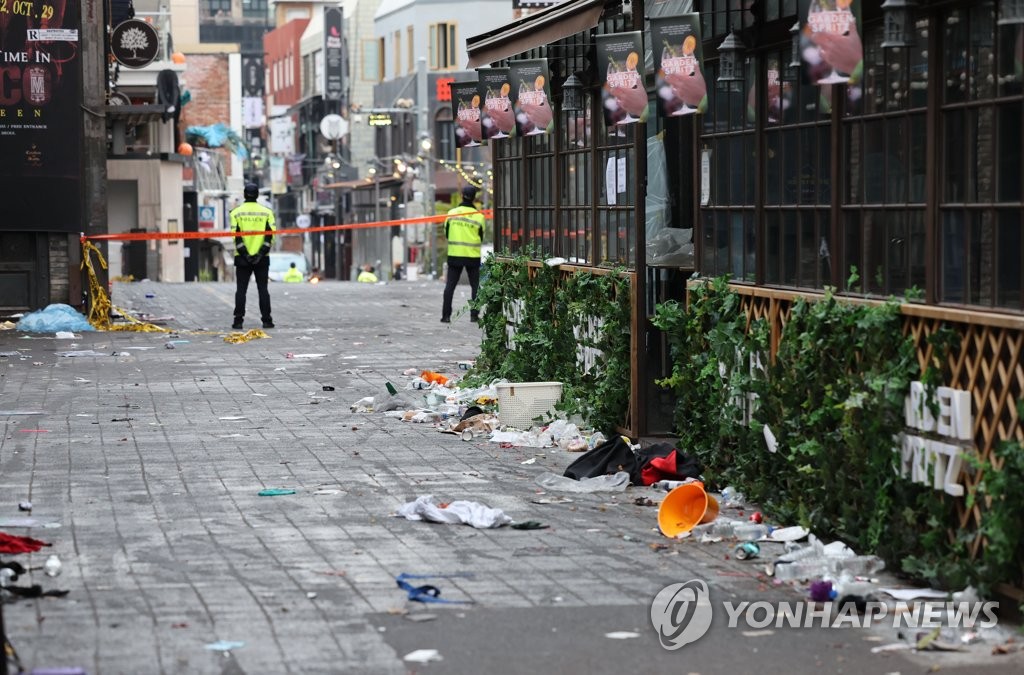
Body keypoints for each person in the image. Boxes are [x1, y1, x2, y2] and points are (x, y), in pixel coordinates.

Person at [230, 183, 276, 329]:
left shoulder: (235, 213)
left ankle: (238, 321)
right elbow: (270, 236)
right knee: (263, 289)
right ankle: (267, 320)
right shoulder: (267, 212)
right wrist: (259, 254)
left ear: (244, 195)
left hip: (242, 258)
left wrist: (246, 255)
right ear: (257, 195)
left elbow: (235, 236)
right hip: (262, 258)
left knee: (241, 290)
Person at [441, 185, 485, 323]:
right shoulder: (479, 217)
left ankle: (446, 316)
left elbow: (446, 233)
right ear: (474, 198)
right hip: (472, 256)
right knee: (475, 286)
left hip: (455, 255)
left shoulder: (452, 213)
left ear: (461, 195)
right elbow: (481, 236)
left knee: (450, 286)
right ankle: (474, 315)